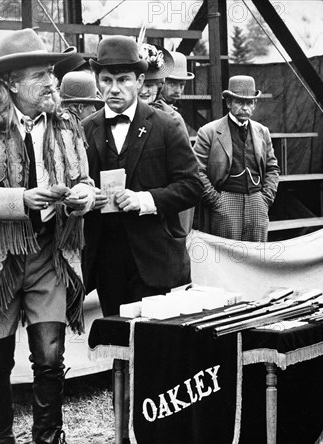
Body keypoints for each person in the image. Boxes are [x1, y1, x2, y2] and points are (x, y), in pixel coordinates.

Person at [0, 28, 95, 444]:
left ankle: (48, 438)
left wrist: (83, 194)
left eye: (52, 72)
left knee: (50, 357)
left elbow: (82, 176)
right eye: (39, 75)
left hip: (50, 255)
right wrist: (22, 199)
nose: (52, 82)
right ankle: (2, 438)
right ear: (11, 83)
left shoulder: (67, 125)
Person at [82, 35, 202, 317]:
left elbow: (192, 186)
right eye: (106, 80)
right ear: (97, 81)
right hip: (106, 262)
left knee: (155, 348)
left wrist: (145, 200)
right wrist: (86, 197)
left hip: (156, 258)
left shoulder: (167, 125)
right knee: (117, 343)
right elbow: (73, 186)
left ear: (139, 80)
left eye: (123, 80)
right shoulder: (85, 129)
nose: (114, 89)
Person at [193, 75, 280, 242]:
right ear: (229, 103)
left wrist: (265, 198)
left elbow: (272, 168)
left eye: (249, 103)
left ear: (254, 105)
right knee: (226, 258)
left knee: (257, 257)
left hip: (257, 200)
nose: (245, 107)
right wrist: (215, 200)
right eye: (240, 102)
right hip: (225, 200)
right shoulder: (209, 132)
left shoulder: (262, 132)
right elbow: (197, 170)